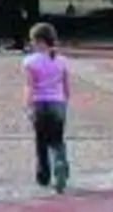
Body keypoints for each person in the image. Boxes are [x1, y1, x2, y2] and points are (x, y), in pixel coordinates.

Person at [21, 22, 71, 193]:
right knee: (57, 139)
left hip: (39, 103)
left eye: (32, 41)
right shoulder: (62, 61)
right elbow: (66, 85)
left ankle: (44, 175)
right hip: (57, 102)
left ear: (40, 41)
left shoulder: (30, 61)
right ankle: (60, 161)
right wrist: (65, 100)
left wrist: (27, 105)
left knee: (41, 141)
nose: (31, 44)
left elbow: (29, 85)